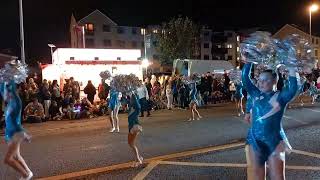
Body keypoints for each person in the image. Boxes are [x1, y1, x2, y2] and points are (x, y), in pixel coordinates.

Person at [242, 62, 298, 180]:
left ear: (274, 81)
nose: (261, 82)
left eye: (266, 80)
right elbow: (245, 78)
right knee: (255, 176)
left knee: (278, 176)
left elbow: (293, 87)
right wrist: (249, 61)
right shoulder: (255, 94)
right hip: (254, 139)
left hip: (274, 140)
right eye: (260, 80)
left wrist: (292, 66)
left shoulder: (281, 97)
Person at [1, 81, 33, 180]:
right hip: (10, 133)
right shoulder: (9, 102)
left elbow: (16, 121)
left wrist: (23, 134)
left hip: (16, 133)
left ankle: (25, 175)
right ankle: (29, 173)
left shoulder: (16, 101)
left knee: (7, 159)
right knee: (16, 156)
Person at [128, 92, 143, 167]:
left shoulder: (136, 107)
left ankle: (138, 159)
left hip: (135, 127)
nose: (130, 99)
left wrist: (133, 94)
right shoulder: (131, 107)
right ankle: (138, 158)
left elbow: (138, 106)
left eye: (132, 98)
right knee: (131, 143)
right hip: (132, 127)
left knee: (131, 144)